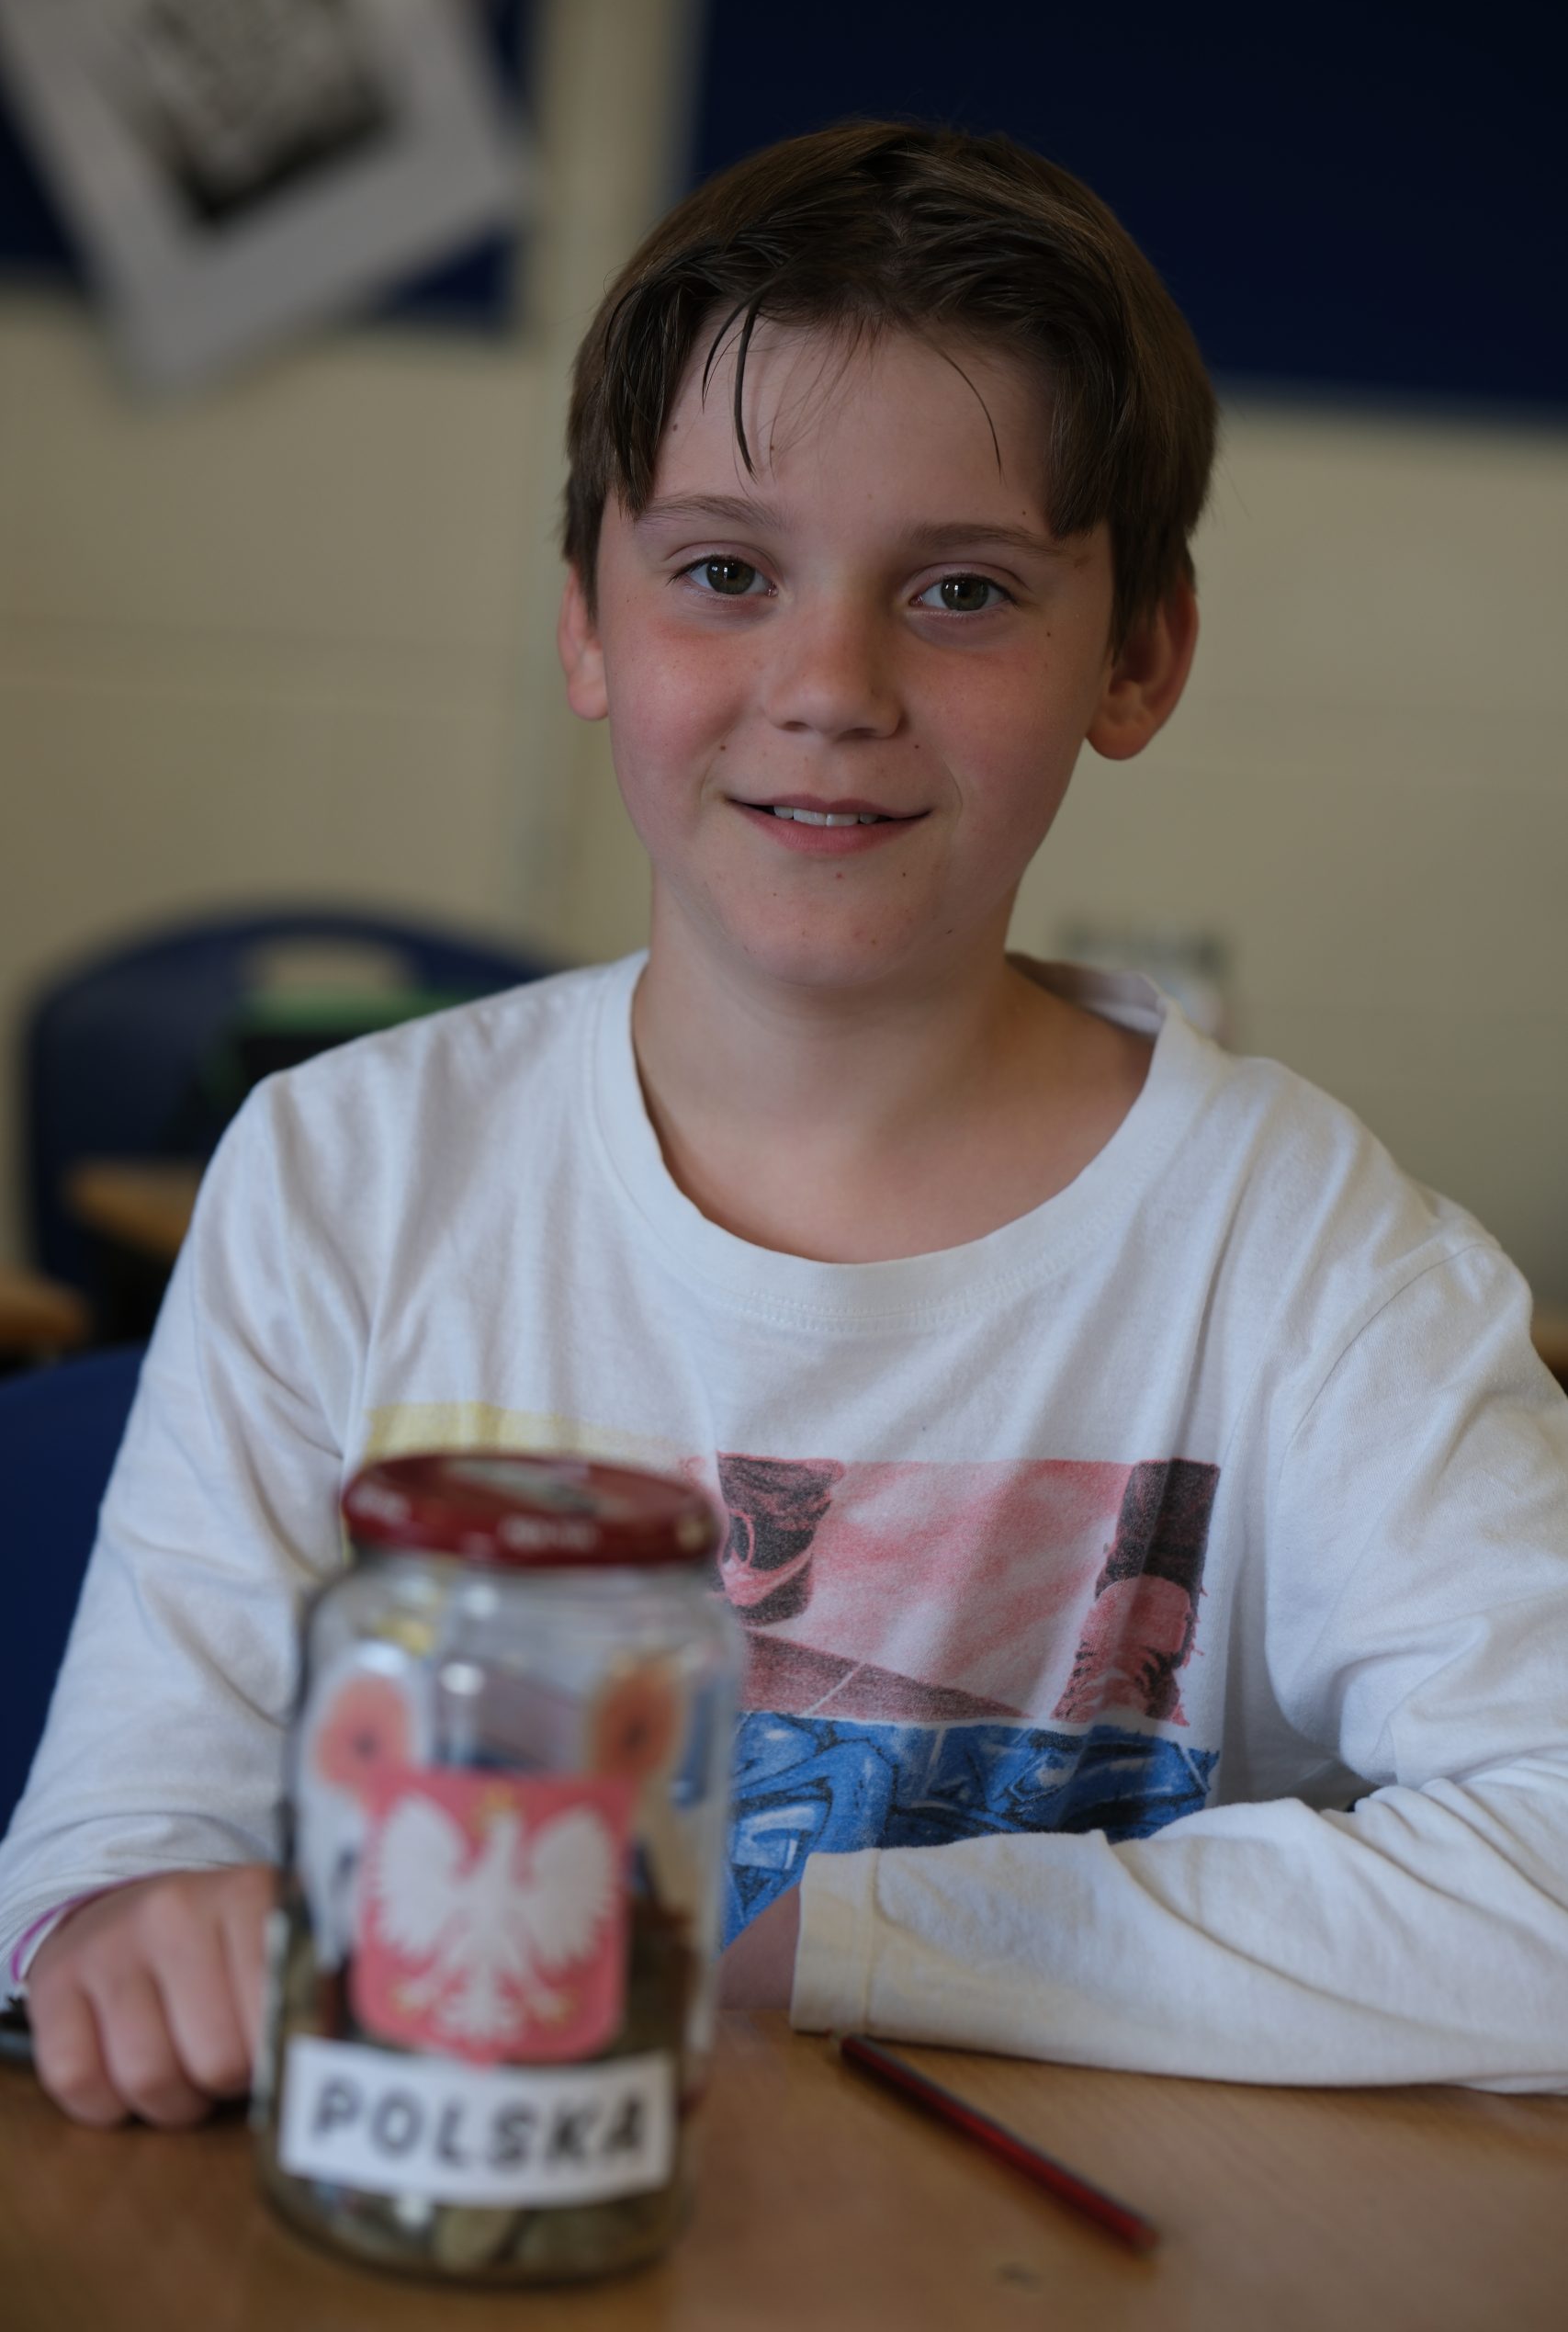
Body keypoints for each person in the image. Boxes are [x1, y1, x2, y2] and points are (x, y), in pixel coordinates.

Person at [5, 119, 1567, 2131]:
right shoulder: (346, 1175)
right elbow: (125, 1839)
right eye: (725, 572)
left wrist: (857, 1939)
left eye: (963, 590)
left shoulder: (1307, 1254)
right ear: (587, 618)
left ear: (1138, 656)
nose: (829, 683)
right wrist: (135, 1914)